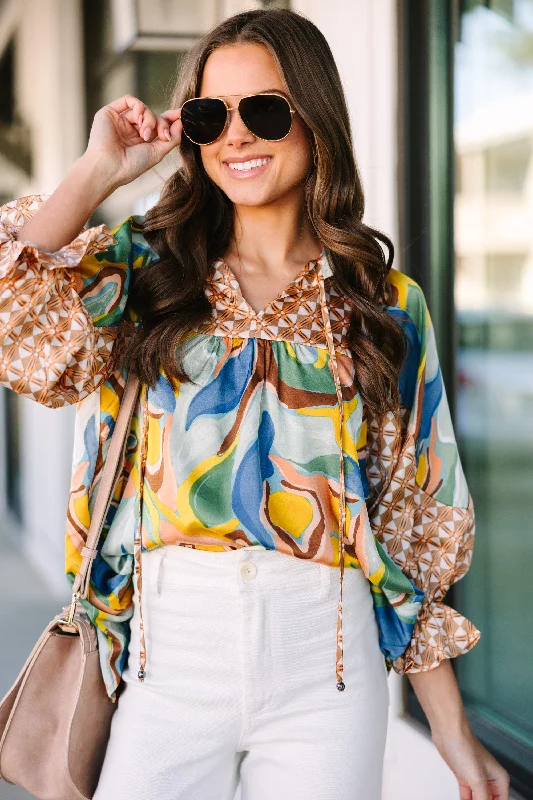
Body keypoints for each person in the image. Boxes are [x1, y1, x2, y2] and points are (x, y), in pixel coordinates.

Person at [0, 8, 509, 800]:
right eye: (210, 116)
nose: (236, 136)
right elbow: (14, 305)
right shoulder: (145, 273)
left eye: (265, 110)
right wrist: (99, 171)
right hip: (168, 656)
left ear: (315, 119)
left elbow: (407, 518)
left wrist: (448, 726)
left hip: (328, 664)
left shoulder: (382, 302)